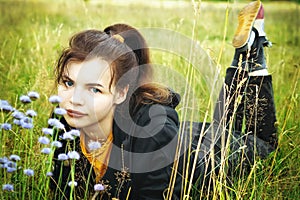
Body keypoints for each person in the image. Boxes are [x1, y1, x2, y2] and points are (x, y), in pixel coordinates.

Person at [49, 1, 277, 199]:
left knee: (263, 142)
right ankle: (245, 53)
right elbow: (59, 187)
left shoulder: (151, 132)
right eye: (68, 83)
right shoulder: (65, 119)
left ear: (120, 93)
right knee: (222, 123)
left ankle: (252, 48)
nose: (74, 100)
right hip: (184, 135)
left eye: (94, 89)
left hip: (213, 154)